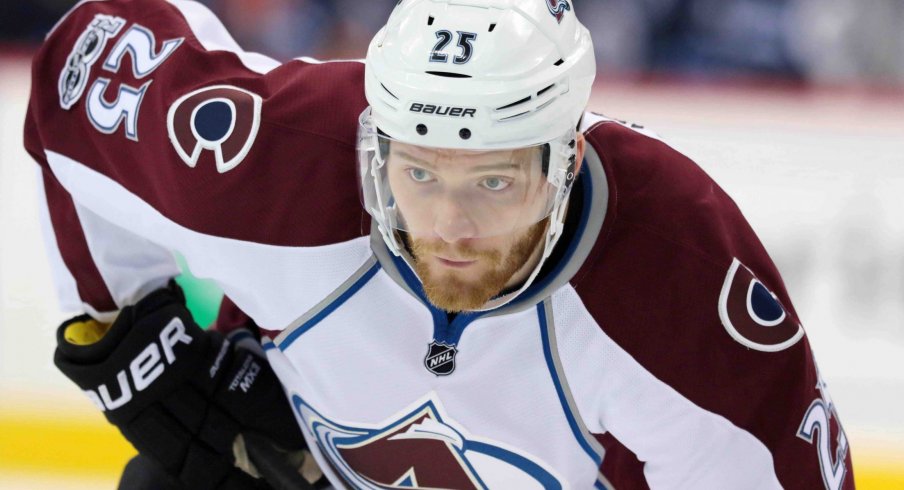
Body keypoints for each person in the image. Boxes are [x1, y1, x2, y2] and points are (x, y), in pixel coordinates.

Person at [24, 0, 854, 488]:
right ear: (375, 148)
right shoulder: (277, 162)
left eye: (493, 183)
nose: (450, 229)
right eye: (419, 174)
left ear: (564, 159)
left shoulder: (680, 283)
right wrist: (130, 334)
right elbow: (78, 66)